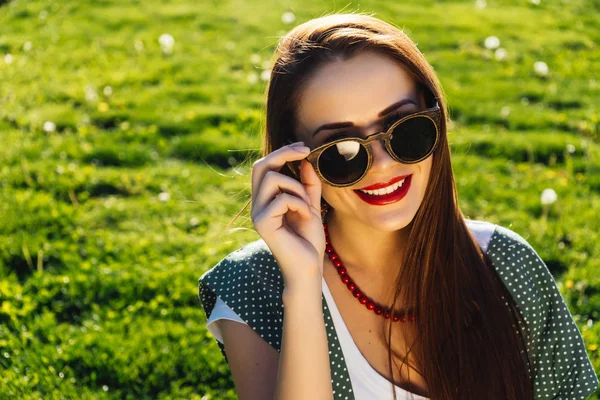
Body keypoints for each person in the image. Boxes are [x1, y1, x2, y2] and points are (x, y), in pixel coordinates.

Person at [198, 12, 598, 400]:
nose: (385, 165)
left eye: (405, 129)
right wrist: (303, 286)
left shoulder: (508, 265)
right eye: (343, 149)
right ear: (293, 161)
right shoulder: (252, 286)